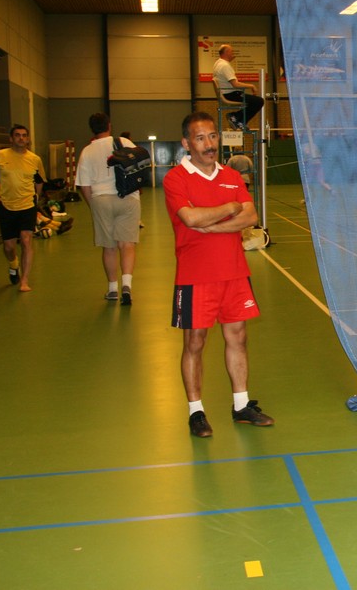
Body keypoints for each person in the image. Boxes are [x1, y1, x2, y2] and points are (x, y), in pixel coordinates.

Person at [164, 112, 274, 438]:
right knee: (195, 342)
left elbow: (250, 216)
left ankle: (241, 405)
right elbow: (190, 218)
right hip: (195, 275)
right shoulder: (176, 179)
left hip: (234, 272)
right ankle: (196, 412)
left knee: (238, 337)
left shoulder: (231, 176)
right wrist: (228, 208)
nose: (209, 144)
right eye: (200, 138)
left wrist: (211, 225)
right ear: (187, 143)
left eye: (212, 136)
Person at [75, 113, 142, 304]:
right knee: (127, 244)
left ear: (91, 129)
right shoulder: (124, 142)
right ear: (109, 126)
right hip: (128, 197)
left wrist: (93, 205)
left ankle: (112, 289)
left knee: (109, 247)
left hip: (101, 199)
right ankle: (127, 286)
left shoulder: (87, 151)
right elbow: (139, 166)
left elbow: (84, 185)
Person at [0, 125, 46, 292]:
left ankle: (24, 280)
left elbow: (39, 181)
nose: (21, 138)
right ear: (11, 139)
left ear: (28, 139)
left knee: (26, 240)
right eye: (17, 135)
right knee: (9, 247)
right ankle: (13, 264)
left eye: (24, 135)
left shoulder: (35, 159)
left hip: (27, 205)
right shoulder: (0, 156)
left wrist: (36, 198)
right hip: (6, 206)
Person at [213, 44, 264, 132]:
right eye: (231, 52)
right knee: (259, 101)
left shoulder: (217, 63)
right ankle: (237, 117)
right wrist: (251, 86)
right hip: (231, 94)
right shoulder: (225, 66)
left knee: (253, 101)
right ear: (227, 52)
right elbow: (235, 84)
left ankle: (238, 119)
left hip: (227, 93)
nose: (233, 53)